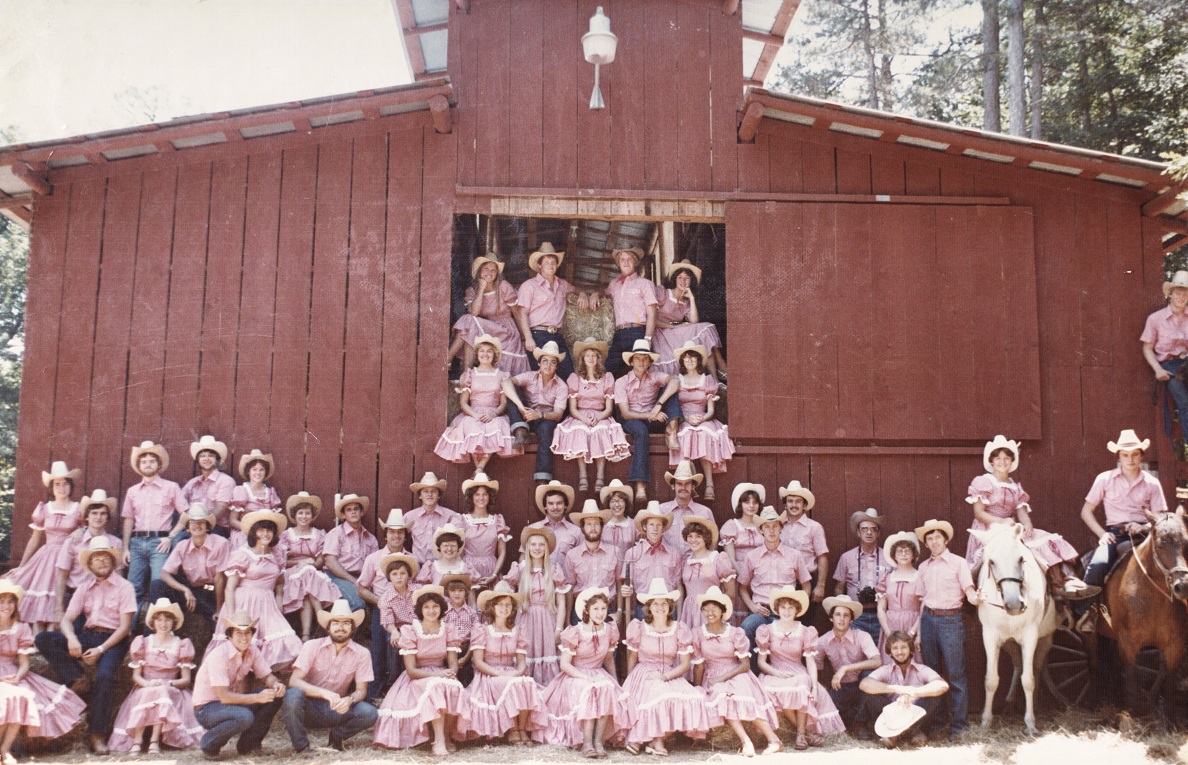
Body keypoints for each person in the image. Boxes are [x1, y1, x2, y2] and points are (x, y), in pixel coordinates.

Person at [35, 536, 137, 753]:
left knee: (105, 676)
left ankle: (97, 734)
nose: (101, 561)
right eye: (96, 558)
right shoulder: (83, 588)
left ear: (113, 561)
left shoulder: (125, 586)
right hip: (88, 635)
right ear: (90, 564)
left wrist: (100, 650)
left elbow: (124, 627)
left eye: (105, 557)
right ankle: (78, 678)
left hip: (113, 640)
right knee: (44, 639)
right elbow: (66, 619)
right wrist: (72, 639)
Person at [967, 435, 1094, 597]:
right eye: (998, 458)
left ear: (1012, 461)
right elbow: (979, 513)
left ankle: (1065, 582)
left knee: (1046, 539)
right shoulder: (983, 482)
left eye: (1006, 458)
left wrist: (1028, 525)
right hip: (988, 529)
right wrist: (1002, 521)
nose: (1002, 462)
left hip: (1010, 528)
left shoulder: (1015, 487)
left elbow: (1022, 513)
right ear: (991, 461)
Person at [622, 578, 718, 755]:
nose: (660, 607)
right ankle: (653, 741)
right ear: (648, 607)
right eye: (656, 603)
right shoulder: (639, 627)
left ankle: (655, 740)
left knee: (690, 697)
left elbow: (685, 663)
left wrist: (666, 676)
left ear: (670, 606)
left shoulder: (679, 629)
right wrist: (630, 683)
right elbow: (632, 657)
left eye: (664, 603)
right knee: (657, 694)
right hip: (644, 671)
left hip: (670, 672)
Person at [536, 587, 635, 755]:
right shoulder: (575, 631)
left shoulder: (609, 630)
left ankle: (599, 742)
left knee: (606, 688)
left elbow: (608, 659)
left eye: (603, 608)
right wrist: (585, 678)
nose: (600, 613)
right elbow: (565, 664)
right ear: (587, 610)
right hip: (575, 675)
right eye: (595, 608)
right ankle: (587, 743)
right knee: (591, 690)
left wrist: (615, 682)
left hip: (598, 672)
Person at [206, 510, 302, 672]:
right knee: (241, 645)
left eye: (269, 530)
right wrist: (232, 615)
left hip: (268, 605)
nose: (265, 534)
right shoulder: (243, 554)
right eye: (261, 530)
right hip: (243, 603)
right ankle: (243, 675)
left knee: (291, 643)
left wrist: (279, 607)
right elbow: (230, 588)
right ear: (254, 533)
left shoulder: (277, 555)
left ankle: (261, 672)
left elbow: (279, 586)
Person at [691, 586, 782, 756]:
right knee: (722, 696)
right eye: (706, 609)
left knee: (742, 697)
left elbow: (745, 665)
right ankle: (746, 742)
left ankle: (774, 739)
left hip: (737, 673)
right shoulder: (698, 633)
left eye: (714, 608)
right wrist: (698, 687)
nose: (710, 613)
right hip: (712, 675)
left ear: (722, 611)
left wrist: (722, 678)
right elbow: (699, 665)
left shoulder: (735, 632)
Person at [374, 585, 464, 754]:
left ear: (441, 608)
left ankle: (447, 736)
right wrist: (438, 674)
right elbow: (411, 671)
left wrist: (451, 672)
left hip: (441, 673)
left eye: (435, 606)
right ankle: (438, 741)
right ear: (420, 610)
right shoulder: (411, 630)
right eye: (426, 607)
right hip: (417, 678)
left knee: (455, 686)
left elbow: (453, 663)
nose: (431, 611)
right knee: (437, 686)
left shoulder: (448, 629)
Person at [0, 581, 86, 757]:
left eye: (10, 602)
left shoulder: (21, 628)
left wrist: (17, 677)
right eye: (1, 602)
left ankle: (5, 749)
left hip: (12, 673)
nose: (6, 606)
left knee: (23, 696)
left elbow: (24, 663)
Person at [914, 519, 982, 739]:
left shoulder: (958, 563)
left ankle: (959, 727)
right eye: (930, 538)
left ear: (945, 540)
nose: (934, 542)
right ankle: (938, 723)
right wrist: (919, 631)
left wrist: (976, 598)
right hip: (928, 620)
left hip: (951, 621)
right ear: (926, 544)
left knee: (956, 674)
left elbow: (969, 590)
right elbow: (922, 601)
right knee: (933, 675)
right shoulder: (923, 567)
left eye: (938, 537)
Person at [282, 600, 378, 753]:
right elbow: (294, 681)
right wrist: (323, 693)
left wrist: (349, 700)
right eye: (335, 623)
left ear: (353, 628)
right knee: (293, 695)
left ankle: (336, 737)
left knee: (370, 713)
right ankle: (302, 747)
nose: (340, 627)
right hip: (308, 708)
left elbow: (361, 690)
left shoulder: (362, 653)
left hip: (336, 709)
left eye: (346, 623)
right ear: (328, 627)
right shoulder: (311, 646)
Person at [756, 587, 845, 750]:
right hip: (774, 671)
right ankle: (805, 733)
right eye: (783, 607)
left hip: (797, 671)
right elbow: (761, 662)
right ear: (777, 609)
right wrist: (778, 673)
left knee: (802, 684)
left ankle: (800, 735)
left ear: (797, 610)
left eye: (791, 607)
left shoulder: (805, 631)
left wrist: (815, 688)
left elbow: (810, 662)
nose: (787, 611)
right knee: (776, 690)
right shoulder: (767, 630)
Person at [108, 598, 201, 753]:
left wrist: (167, 683)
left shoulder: (181, 644)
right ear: (153, 622)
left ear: (174, 622)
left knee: (161, 691)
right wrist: (147, 684)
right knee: (151, 692)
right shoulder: (143, 642)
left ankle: (154, 740)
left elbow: (186, 680)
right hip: (146, 686)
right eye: (159, 620)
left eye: (167, 620)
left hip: (171, 690)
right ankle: (137, 741)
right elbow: (136, 676)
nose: (163, 624)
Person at [1080, 429, 1167, 592]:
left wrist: (1144, 527)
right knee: (1098, 564)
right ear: (1118, 457)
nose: (1130, 459)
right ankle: (1088, 606)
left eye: (1135, 454)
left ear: (1141, 456)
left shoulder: (1152, 483)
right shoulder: (1105, 479)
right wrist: (1102, 534)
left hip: (1145, 535)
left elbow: (1160, 517)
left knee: (1171, 565)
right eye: (1125, 455)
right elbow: (1086, 511)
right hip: (1115, 535)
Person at [191, 610, 286, 759]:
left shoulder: (252, 651)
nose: (244, 637)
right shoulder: (219, 655)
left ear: (252, 634)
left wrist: (276, 684)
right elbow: (224, 697)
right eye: (238, 633)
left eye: (247, 632)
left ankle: (248, 746)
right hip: (206, 708)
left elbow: (267, 676)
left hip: (228, 704)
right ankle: (209, 745)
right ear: (229, 635)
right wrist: (257, 697)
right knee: (244, 717)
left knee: (274, 697)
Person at [457, 583, 544, 744]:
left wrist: (517, 673)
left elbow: (521, 663)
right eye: (500, 604)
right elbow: (478, 662)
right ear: (492, 607)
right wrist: (500, 673)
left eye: (508, 604)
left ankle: (522, 730)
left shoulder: (518, 630)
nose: (505, 608)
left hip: (511, 672)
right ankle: (512, 729)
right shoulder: (482, 630)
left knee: (527, 682)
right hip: (489, 675)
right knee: (512, 683)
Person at [4, 461, 82, 634]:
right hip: (46, 558)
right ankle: (36, 640)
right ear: (51, 488)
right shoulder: (45, 509)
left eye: (65, 484)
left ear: (71, 486)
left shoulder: (78, 509)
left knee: (57, 600)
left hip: (67, 558)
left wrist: (81, 530)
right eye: (57, 484)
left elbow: (89, 532)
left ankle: (50, 638)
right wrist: (22, 566)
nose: (61, 488)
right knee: (38, 601)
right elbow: (35, 539)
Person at [551, 337, 631, 491]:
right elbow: (572, 408)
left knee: (600, 430)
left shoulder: (607, 378)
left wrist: (598, 418)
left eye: (594, 355)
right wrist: (584, 419)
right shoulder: (575, 379)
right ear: (582, 358)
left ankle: (600, 477)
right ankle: (583, 476)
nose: (591, 358)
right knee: (580, 430)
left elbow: (609, 408)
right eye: (587, 355)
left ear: (599, 358)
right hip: (580, 415)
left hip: (601, 414)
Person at [435, 335, 522, 474]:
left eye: (489, 351)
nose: (485, 354)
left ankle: (480, 468)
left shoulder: (501, 375)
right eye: (482, 351)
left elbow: (503, 403)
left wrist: (494, 414)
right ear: (477, 354)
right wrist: (475, 415)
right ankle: (479, 470)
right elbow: (463, 402)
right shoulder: (470, 374)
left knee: (496, 426)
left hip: (493, 413)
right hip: (473, 412)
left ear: (494, 354)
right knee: (472, 427)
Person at [614, 339, 682, 502]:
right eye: (637, 358)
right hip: (633, 420)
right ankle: (640, 485)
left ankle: (671, 430)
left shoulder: (654, 376)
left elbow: (675, 381)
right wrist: (650, 415)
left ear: (650, 362)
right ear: (631, 362)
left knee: (671, 392)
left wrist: (658, 405)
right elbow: (625, 414)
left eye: (645, 358)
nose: (641, 362)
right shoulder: (621, 382)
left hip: (654, 416)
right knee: (641, 431)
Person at [121, 441, 188, 606]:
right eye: (144, 462)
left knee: (158, 586)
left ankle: (153, 622)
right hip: (137, 543)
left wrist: (171, 537)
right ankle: (131, 623)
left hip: (160, 544)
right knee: (133, 588)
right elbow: (128, 519)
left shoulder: (171, 487)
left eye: (152, 461)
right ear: (139, 466)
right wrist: (125, 548)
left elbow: (186, 515)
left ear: (159, 464)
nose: (148, 464)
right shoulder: (133, 491)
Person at [738, 506, 811, 651]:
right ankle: (752, 666)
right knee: (746, 628)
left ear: (781, 528)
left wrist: (796, 609)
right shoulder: (752, 556)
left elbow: (806, 585)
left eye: (775, 526)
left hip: (784, 612)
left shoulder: (794, 555)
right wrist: (752, 606)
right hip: (761, 612)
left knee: (785, 639)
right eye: (767, 527)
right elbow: (742, 587)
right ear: (761, 530)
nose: (771, 531)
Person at [860, 630, 950, 748]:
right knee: (870, 694)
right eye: (895, 648)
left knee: (935, 696)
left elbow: (943, 685)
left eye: (903, 647)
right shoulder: (885, 670)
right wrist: (897, 689)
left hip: (915, 716)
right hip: (893, 717)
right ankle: (896, 734)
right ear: (890, 652)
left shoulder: (921, 669)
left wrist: (915, 692)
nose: (900, 652)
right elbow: (864, 684)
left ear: (911, 650)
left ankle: (911, 732)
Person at [504, 527, 569, 685]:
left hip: (548, 618)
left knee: (547, 653)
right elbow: (506, 596)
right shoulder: (519, 569)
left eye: (541, 544)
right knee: (526, 653)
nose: (537, 548)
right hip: (525, 618)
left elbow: (561, 603)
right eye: (533, 544)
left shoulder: (553, 569)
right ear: (527, 547)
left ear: (547, 548)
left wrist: (558, 629)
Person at [668, 342, 735, 494]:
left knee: (704, 433)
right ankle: (688, 483)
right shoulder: (677, 380)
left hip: (703, 417)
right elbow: (674, 407)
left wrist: (702, 418)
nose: (689, 360)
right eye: (686, 358)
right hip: (684, 419)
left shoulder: (707, 380)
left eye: (693, 357)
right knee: (687, 434)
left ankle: (709, 485)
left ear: (698, 360)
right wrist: (686, 418)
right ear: (682, 361)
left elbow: (710, 411)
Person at [356, 508, 410, 696]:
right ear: (385, 535)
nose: (396, 536)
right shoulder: (374, 558)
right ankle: (375, 691)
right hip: (381, 607)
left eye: (400, 532)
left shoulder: (411, 559)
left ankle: (399, 687)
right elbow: (361, 588)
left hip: (405, 610)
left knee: (403, 647)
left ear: (405, 536)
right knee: (379, 651)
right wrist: (380, 601)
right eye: (392, 532)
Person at [448, 255, 531, 375]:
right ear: (479, 271)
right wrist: (481, 289)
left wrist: (524, 337)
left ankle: (447, 360)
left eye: (493, 270)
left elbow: (516, 313)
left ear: (497, 274)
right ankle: (466, 375)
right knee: (469, 330)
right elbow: (474, 313)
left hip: (506, 331)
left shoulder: (503, 286)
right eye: (486, 269)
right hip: (487, 328)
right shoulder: (472, 291)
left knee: (468, 321)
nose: (489, 272)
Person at [514, 242, 584, 381]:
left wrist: (582, 294)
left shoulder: (562, 284)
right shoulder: (529, 286)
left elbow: (576, 290)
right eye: (547, 262)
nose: (551, 265)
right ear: (540, 265)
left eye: (553, 262)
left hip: (557, 335)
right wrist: (528, 338)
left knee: (568, 375)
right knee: (540, 376)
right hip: (538, 335)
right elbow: (522, 313)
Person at [153, 503, 229, 628]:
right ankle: (155, 633)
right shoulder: (182, 546)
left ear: (207, 526)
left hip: (211, 593)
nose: (197, 525)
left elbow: (220, 578)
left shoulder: (221, 543)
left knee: (218, 624)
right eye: (193, 522)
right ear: (187, 528)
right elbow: (164, 574)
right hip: (191, 592)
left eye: (201, 522)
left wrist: (219, 608)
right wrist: (185, 590)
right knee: (157, 585)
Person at [815, 595, 881, 736]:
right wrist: (824, 688)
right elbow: (816, 668)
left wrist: (845, 668)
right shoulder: (822, 641)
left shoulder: (862, 636)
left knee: (869, 676)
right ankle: (847, 722)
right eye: (838, 615)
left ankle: (859, 723)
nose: (842, 619)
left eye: (846, 615)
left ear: (851, 620)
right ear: (831, 618)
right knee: (828, 707)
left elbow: (877, 661)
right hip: (839, 687)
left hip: (860, 686)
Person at [279, 492, 341, 641]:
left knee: (307, 586)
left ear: (312, 516)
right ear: (294, 515)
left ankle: (305, 635)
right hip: (291, 574)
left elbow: (320, 560)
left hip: (313, 573)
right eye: (300, 513)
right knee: (307, 572)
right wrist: (300, 563)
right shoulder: (286, 535)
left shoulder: (319, 534)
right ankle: (323, 619)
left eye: (307, 513)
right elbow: (281, 561)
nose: (304, 516)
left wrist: (312, 564)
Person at [503, 341, 569, 480]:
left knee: (545, 430)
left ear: (556, 366)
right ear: (538, 363)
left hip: (545, 418)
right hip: (525, 416)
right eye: (545, 361)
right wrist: (521, 407)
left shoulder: (561, 386)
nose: (548, 365)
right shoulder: (530, 376)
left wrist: (539, 415)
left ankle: (542, 478)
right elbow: (506, 383)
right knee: (512, 390)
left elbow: (558, 415)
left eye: (552, 362)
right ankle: (521, 431)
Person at [55, 489, 124, 621]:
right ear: (86, 516)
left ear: (108, 517)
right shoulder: (73, 542)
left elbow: (119, 578)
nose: (98, 517)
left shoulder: (115, 543)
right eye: (94, 513)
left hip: (106, 601)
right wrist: (59, 610)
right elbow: (61, 576)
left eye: (103, 513)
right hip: (77, 599)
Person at [651, 259, 727, 380]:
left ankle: (715, 379)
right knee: (705, 329)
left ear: (691, 281)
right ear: (675, 278)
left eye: (687, 278)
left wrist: (691, 298)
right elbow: (650, 320)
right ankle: (721, 367)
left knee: (705, 331)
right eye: (680, 277)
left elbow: (694, 321)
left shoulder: (685, 301)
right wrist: (673, 326)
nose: (683, 281)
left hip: (675, 333)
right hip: (660, 334)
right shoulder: (663, 293)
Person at [595, 247, 659, 379]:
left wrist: (648, 339)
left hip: (637, 332)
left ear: (635, 262)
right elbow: (604, 293)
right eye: (622, 259)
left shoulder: (645, 284)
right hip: (619, 334)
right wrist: (596, 294)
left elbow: (652, 313)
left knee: (638, 372)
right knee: (609, 371)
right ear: (618, 263)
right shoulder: (614, 284)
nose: (626, 262)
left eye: (629, 259)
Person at [1142, 270, 1188, 442]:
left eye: (1185, 293)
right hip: (1169, 367)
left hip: (1187, 363)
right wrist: (1158, 369)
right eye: (1178, 292)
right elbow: (1147, 348)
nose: (1181, 297)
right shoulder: (1155, 319)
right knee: (1185, 405)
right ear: (1170, 294)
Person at [832, 508, 890, 643]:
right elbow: (839, 588)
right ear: (858, 532)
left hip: (882, 616)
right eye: (864, 529)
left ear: (878, 533)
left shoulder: (888, 558)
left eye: (873, 529)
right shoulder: (847, 558)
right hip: (856, 617)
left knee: (881, 653)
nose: (869, 532)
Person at [618, 503, 684, 621]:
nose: (655, 528)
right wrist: (627, 589)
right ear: (644, 526)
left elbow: (679, 586)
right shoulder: (632, 554)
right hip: (644, 608)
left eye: (659, 525)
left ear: (663, 527)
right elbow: (628, 583)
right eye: (651, 524)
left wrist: (679, 616)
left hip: (668, 609)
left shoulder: (674, 554)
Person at [778, 480, 829, 612]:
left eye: (798, 501)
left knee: (804, 622)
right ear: (785, 505)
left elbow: (822, 557)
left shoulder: (814, 527)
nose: (794, 505)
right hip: (781, 582)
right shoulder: (778, 526)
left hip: (806, 583)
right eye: (790, 501)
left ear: (805, 505)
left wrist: (820, 586)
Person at [323, 494, 379, 611]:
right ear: (343, 515)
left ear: (361, 512)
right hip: (337, 577)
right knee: (358, 603)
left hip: (361, 579)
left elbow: (375, 566)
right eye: (349, 510)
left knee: (379, 599)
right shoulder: (336, 534)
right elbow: (330, 562)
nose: (353, 512)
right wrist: (354, 581)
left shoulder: (370, 538)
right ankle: (334, 623)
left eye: (356, 509)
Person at [679, 518, 736, 631]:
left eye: (698, 536)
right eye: (690, 536)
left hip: (710, 611)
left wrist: (714, 607)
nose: (693, 540)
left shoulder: (717, 558)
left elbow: (731, 592)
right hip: (689, 612)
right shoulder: (685, 561)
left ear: (706, 537)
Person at [722, 483, 765, 624]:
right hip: (739, 575)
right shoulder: (731, 525)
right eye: (747, 502)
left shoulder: (762, 525)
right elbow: (731, 558)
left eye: (755, 502)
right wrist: (745, 578)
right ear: (740, 504)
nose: (751, 506)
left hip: (760, 575)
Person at [876, 532, 923, 661]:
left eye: (907, 551)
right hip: (891, 626)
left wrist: (912, 632)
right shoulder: (887, 578)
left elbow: (923, 609)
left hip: (912, 625)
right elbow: (881, 609)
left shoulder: (919, 577)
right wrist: (888, 633)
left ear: (913, 555)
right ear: (894, 555)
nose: (903, 554)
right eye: (899, 551)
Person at [457, 473, 509, 588]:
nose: (481, 498)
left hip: (491, 570)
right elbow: (458, 551)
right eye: (477, 494)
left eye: (485, 494)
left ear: (490, 496)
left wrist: (494, 575)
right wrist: (465, 571)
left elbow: (502, 552)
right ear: (471, 497)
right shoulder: (462, 520)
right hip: (468, 570)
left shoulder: (497, 520)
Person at [376, 553, 418, 693]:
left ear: (408, 575)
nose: (399, 577)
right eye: (394, 574)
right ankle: (394, 682)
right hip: (400, 629)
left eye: (402, 573)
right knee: (394, 642)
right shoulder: (386, 598)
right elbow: (388, 621)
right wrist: (394, 631)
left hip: (419, 627)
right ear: (389, 577)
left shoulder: (418, 591)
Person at [565, 502, 619, 611]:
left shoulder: (614, 552)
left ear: (602, 527)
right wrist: (568, 617)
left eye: (596, 524)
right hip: (581, 608)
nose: (593, 528)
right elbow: (569, 588)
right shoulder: (572, 555)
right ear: (582, 527)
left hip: (606, 609)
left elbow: (619, 583)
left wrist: (619, 611)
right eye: (589, 524)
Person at [181, 436, 235, 538]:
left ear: (217, 459)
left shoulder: (226, 481)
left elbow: (219, 509)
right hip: (192, 527)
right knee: (177, 539)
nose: (206, 459)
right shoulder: (193, 483)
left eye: (211, 456)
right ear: (198, 460)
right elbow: (180, 501)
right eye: (202, 456)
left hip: (216, 528)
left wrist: (199, 524)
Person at [522, 481, 583, 571]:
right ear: (545, 506)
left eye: (559, 503)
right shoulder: (533, 529)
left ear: (565, 505)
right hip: (539, 578)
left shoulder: (576, 531)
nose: (555, 507)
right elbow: (523, 557)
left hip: (565, 579)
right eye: (551, 503)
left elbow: (581, 561)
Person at [228, 450, 281, 550]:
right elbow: (233, 520)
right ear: (248, 471)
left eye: (261, 470)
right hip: (245, 533)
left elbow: (275, 521)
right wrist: (252, 532)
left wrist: (264, 533)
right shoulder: (242, 490)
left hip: (265, 534)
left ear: (265, 472)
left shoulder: (270, 492)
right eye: (254, 469)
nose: (258, 473)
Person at [658, 459, 714, 553]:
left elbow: (712, 543)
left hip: (695, 560)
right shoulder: (662, 510)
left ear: (693, 486)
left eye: (687, 483)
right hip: (668, 561)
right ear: (673, 486)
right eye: (679, 484)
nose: (683, 488)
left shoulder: (704, 512)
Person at [405, 473, 460, 566]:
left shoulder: (450, 516)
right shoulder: (410, 516)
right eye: (425, 491)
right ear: (420, 495)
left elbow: (458, 543)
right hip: (418, 567)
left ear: (439, 495)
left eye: (433, 491)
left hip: (442, 567)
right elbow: (399, 536)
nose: (429, 494)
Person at [414, 525, 481, 597]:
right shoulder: (430, 568)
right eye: (445, 545)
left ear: (458, 547)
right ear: (439, 547)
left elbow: (471, 598)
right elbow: (424, 595)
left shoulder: (466, 568)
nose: (449, 549)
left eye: (453, 545)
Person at [440, 574, 479, 684]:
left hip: (466, 651)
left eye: (460, 590)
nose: (457, 594)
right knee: (448, 679)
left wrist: (466, 658)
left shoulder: (471, 613)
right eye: (453, 591)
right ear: (447, 592)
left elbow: (475, 638)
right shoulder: (443, 612)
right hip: (446, 652)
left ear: (466, 592)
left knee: (466, 680)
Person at [599, 480, 638, 557]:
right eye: (612, 501)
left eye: (620, 501)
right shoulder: (602, 525)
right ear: (608, 504)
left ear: (626, 503)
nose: (616, 505)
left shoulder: (633, 525)